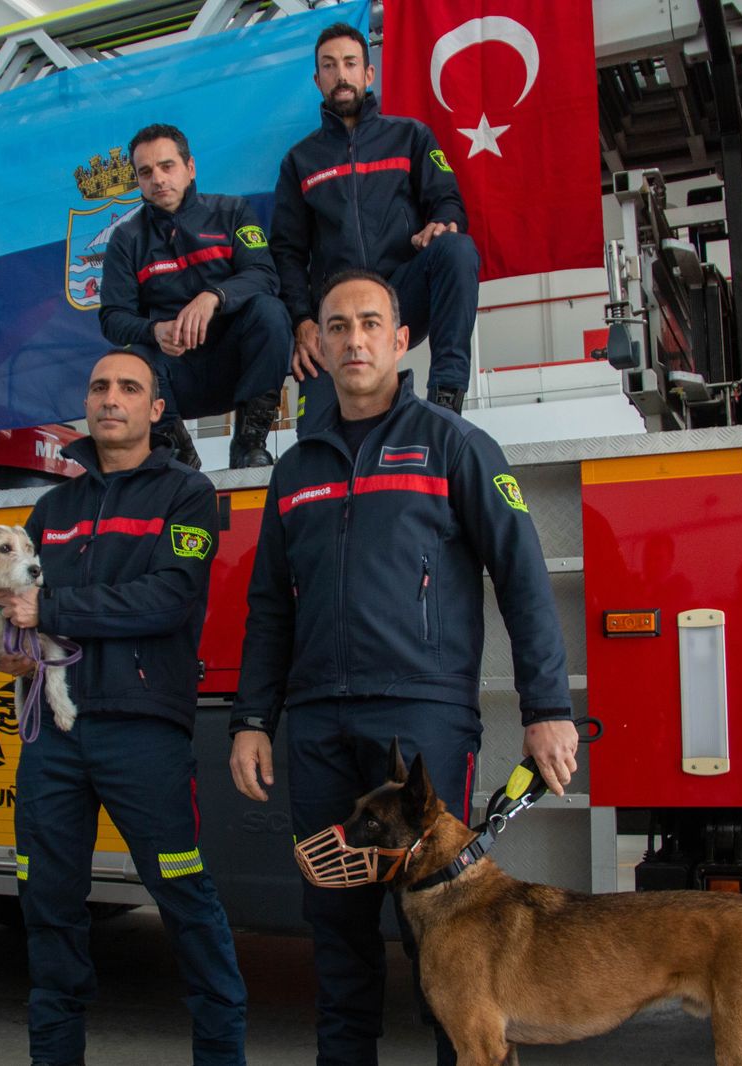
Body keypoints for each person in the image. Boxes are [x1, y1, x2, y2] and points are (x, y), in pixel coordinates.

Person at [227, 270, 577, 1066]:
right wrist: (252, 719)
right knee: (335, 924)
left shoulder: (455, 445)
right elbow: (270, 608)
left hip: (421, 718)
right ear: (317, 346)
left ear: (400, 339)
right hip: (318, 723)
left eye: (369, 324)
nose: (354, 340)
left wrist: (547, 708)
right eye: (337, 326)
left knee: (448, 933)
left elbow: (522, 577)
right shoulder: (295, 470)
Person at [0, 350, 246, 1066]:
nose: (111, 398)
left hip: (143, 734)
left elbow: (168, 599)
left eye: (129, 388)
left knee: (185, 900)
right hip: (53, 734)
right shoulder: (52, 509)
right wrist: (10, 644)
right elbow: (12, 603)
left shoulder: (187, 494)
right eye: (100, 387)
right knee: (48, 909)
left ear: (155, 410)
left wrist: (50, 610)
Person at [272, 22, 480, 426]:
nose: (341, 74)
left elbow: (448, 201)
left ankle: (446, 400)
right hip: (337, 309)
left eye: (350, 63)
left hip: (402, 296)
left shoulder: (411, 137)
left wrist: (443, 222)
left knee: (457, 248)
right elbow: (287, 252)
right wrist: (303, 321)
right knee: (315, 438)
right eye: (329, 66)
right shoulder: (299, 161)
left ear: (369, 74)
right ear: (317, 80)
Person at [100, 122, 291, 469]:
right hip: (174, 375)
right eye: (146, 172)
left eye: (167, 166)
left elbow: (264, 276)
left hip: (237, 365)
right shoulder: (126, 239)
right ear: (138, 181)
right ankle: (180, 459)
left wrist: (214, 296)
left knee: (270, 312)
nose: (158, 179)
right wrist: (154, 331)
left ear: (190, 168)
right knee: (134, 357)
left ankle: (249, 446)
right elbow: (113, 318)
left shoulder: (232, 212)